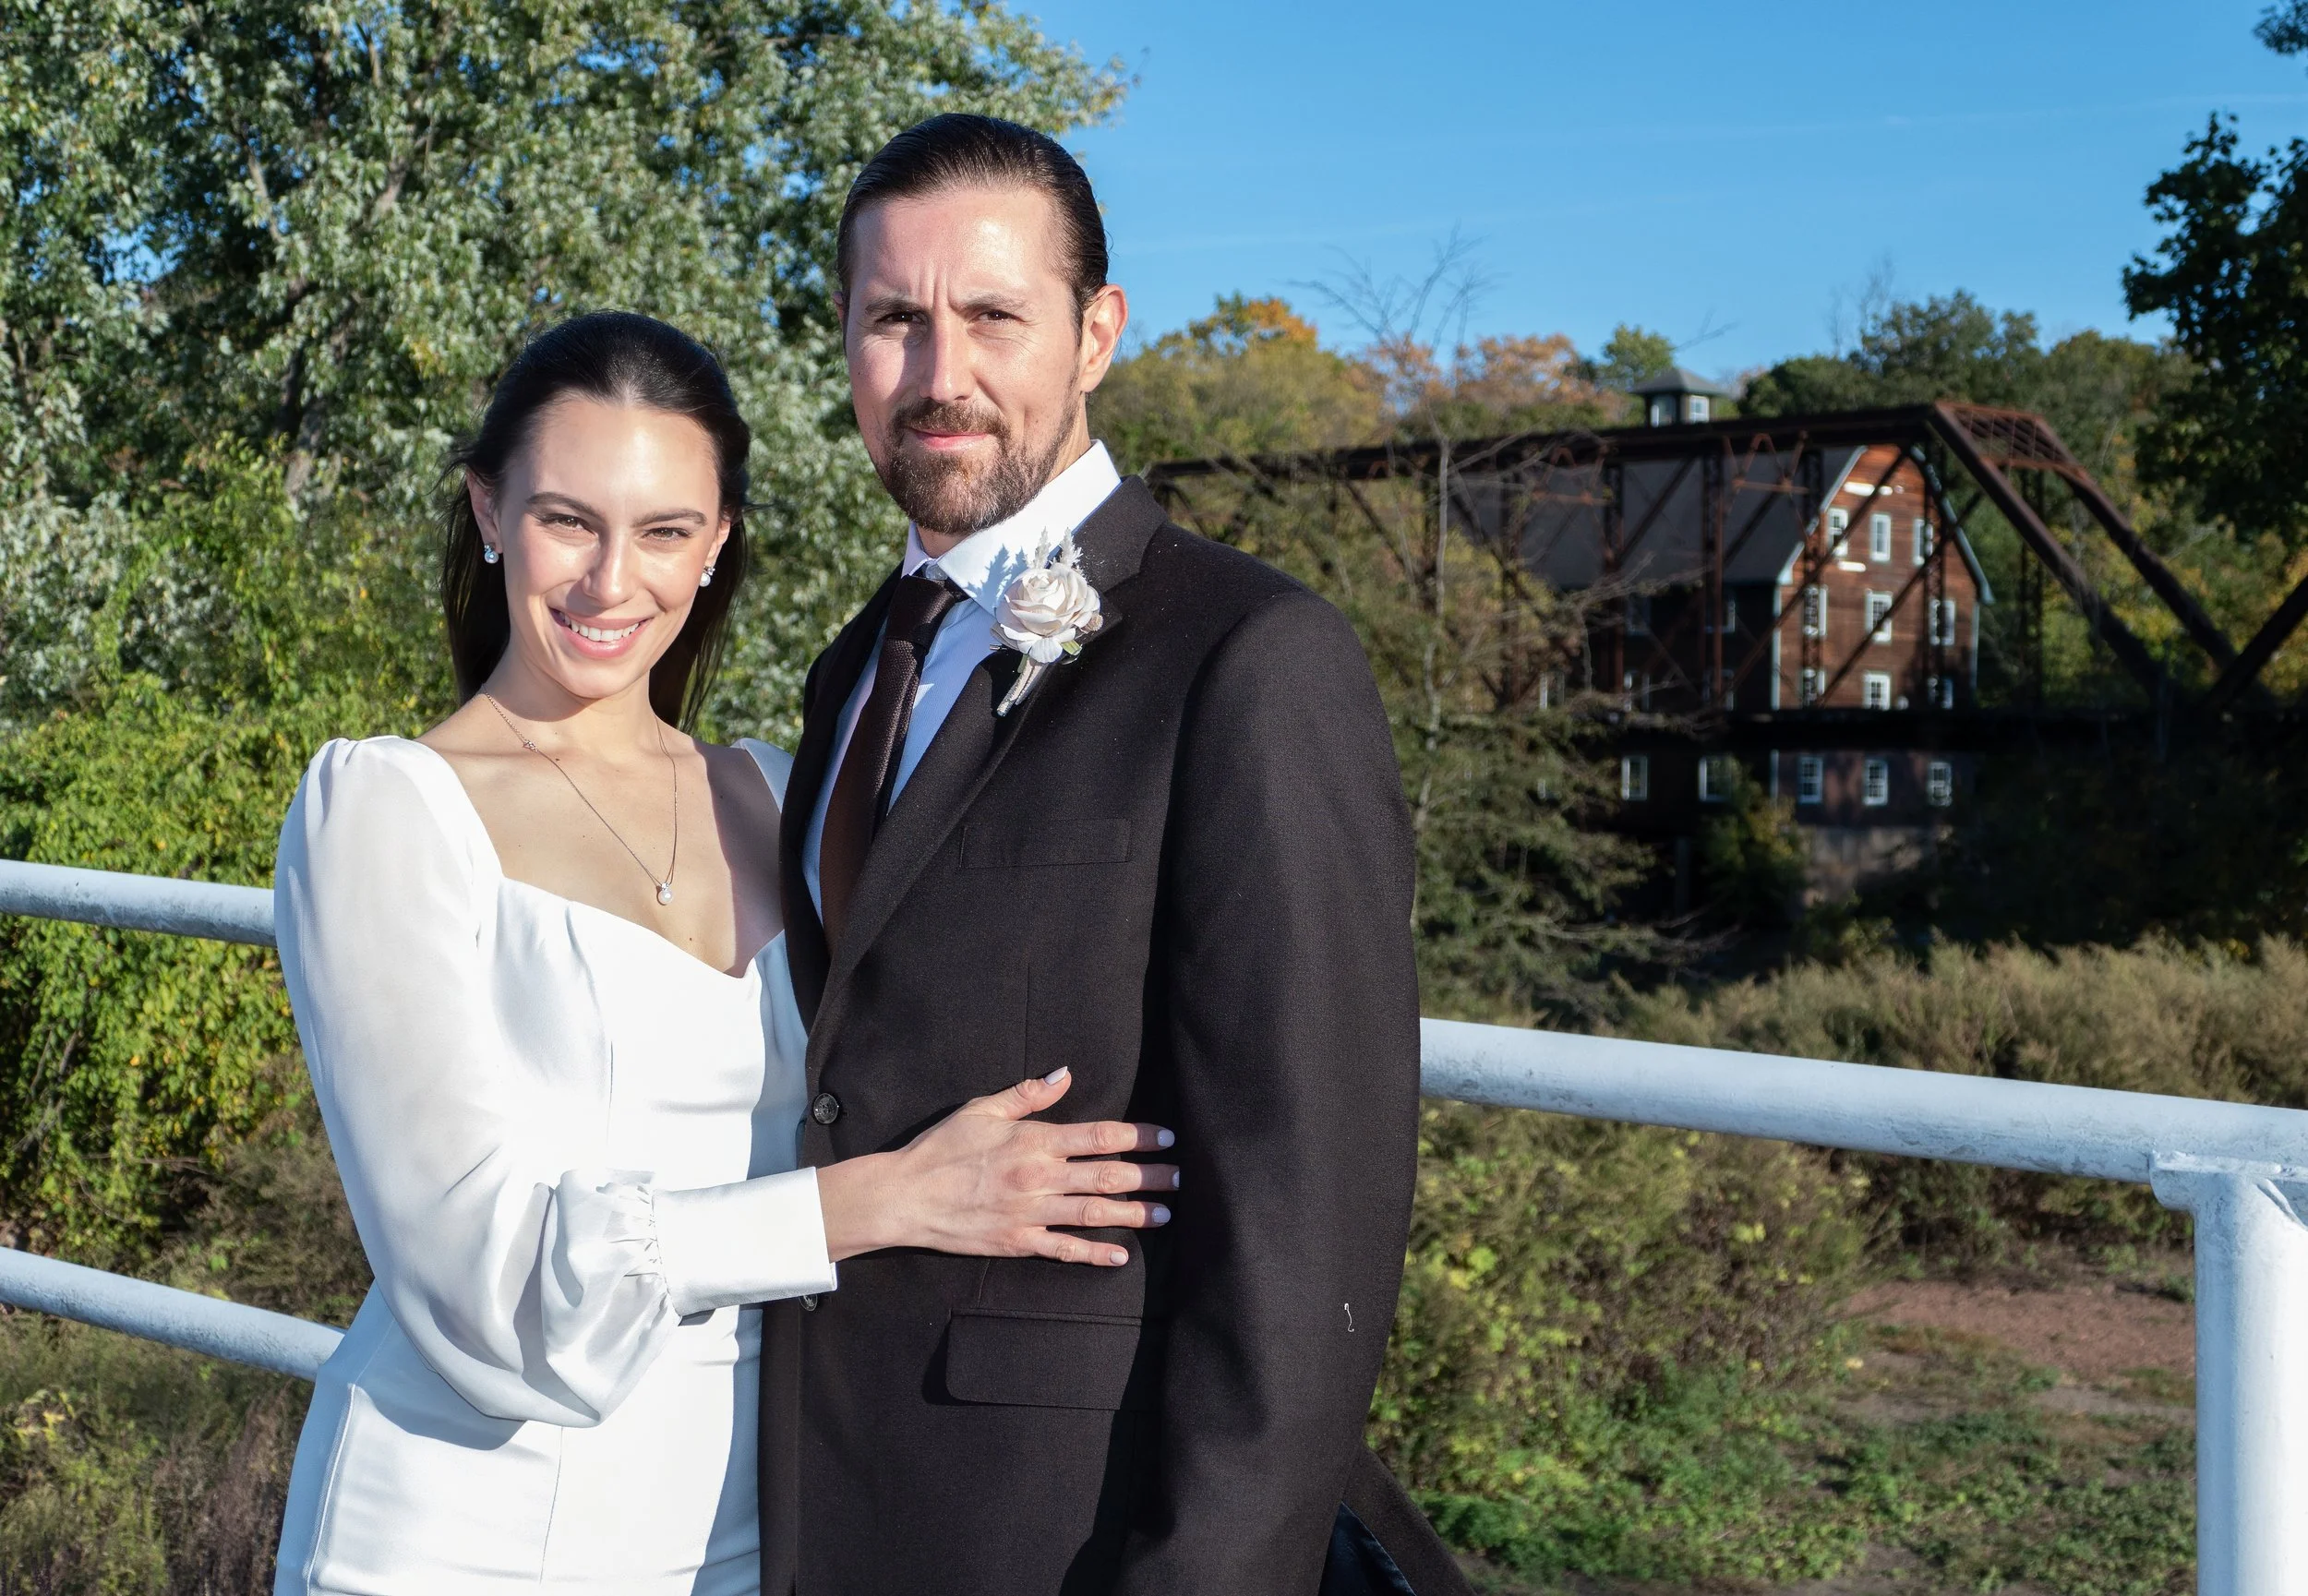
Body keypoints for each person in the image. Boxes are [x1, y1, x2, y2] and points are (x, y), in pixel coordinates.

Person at [268, 311, 1180, 1594]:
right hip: (464, 1520)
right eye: (567, 520)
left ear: (719, 544)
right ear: (488, 510)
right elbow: (483, 1282)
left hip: (741, 1534)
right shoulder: (384, 808)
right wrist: (887, 1199)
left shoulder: (778, 793)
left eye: (664, 531)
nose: (608, 582)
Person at [767, 114, 1469, 1595]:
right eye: (893, 319)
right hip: (830, 1504)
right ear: (843, 343)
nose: (937, 373)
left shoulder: (1252, 657)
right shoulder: (853, 673)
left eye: (991, 317)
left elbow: (1302, 1218)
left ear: (1097, 333)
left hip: (1077, 1532)